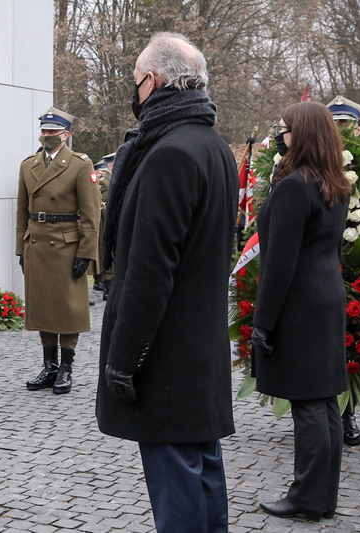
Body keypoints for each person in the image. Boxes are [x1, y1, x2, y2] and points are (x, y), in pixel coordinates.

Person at [96, 32, 237, 533]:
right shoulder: (213, 146)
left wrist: (124, 358)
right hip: (198, 345)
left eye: (136, 81)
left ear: (151, 81)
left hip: (167, 354)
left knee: (179, 487)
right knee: (203, 474)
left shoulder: (170, 153)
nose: (134, 91)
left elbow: (150, 272)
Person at [252, 102, 350, 522]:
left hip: (300, 301)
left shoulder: (296, 186)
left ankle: (307, 498)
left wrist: (262, 323)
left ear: (302, 134)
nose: (280, 134)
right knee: (324, 402)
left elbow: (279, 263)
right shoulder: (334, 182)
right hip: (326, 294)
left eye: (284, 128)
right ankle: (321, 496)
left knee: (309, 404)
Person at [16, 107, 100, 395]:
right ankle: (49, 366)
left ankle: (66, 367)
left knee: (68, 308)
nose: (46, 136)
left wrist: (86, 253)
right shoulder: (28, 165)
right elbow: (22, 212)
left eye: (52, 132)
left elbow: (91, 215)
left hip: (67, 245)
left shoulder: (80, 165)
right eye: (44, 131)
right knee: (44, 306)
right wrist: (20, 247)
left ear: (66, 135)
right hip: (37, 243)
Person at [326, 96, 360, 447]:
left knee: (355, 340)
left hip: (359, 261)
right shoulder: (317, 160)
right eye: (335, 124)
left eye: (347, 125)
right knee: (339, 341)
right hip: (328, 263)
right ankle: (342, 414)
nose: (342, 131)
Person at [94, 153, 114, 301]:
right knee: (108, 252)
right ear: (110, 165)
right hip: (105, 220)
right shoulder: (105, 181)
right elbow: (98, 201)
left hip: (111, 218)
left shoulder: (112, 178)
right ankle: (107, 288)